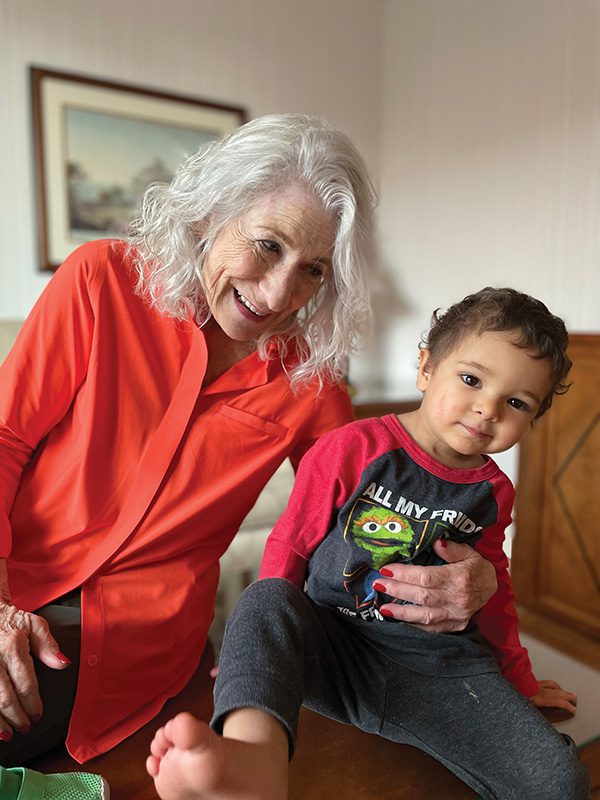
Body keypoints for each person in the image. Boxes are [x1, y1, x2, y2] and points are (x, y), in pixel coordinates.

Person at [0, 114, 498, 778]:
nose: (277, 294)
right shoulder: (101, 282)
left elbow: (370, 519)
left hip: (134, 647)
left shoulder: (310, 380)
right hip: (16, 590)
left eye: (312, 272)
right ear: (210, 215)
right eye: (267, 246)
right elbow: (5, 438)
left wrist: (478, 578)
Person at [146, 287, 590, 800]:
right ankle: (251, 765)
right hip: (332, 648)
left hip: (439, 669)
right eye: (470, 379)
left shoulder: (492, 492)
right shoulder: (353, 447)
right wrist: (261, 655)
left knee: (561, 779)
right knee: (266, 599)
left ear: (532, 421)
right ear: (426, 368)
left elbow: (494, 591)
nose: (487, 408)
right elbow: (290, 546)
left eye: (516, 402)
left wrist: (521, 679)